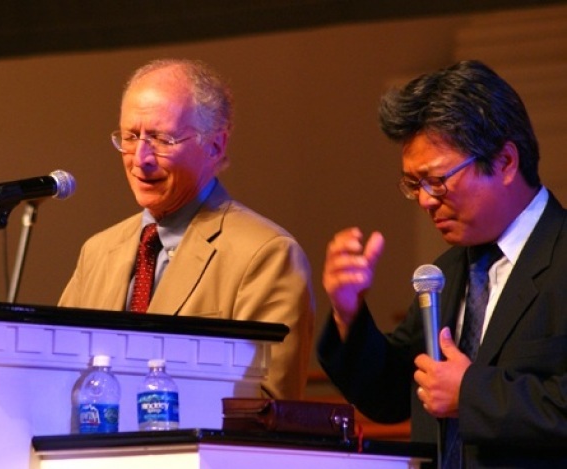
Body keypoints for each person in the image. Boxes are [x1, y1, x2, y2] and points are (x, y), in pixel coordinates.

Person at [317, 60, 567, 468]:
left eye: (437, 180)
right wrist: (348, 312)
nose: (425, 200)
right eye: (414, 184)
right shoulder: (447, 272)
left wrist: (471, 395)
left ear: (504, 162)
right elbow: (392, 396)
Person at [59, 58, 315, 400]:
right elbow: (57, 374)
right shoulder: (98, 252)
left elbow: (267, 406)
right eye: (131, 137)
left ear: (216, 145)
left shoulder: (266, 255)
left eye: (162, 139)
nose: (140, 158)